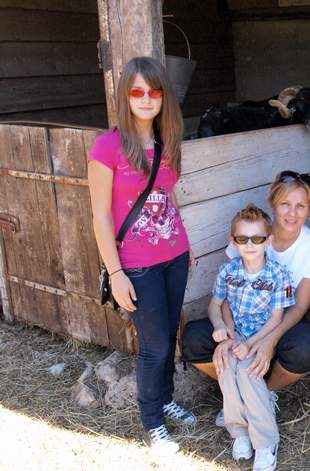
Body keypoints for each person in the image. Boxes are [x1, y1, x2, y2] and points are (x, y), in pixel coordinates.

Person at [87, 56, 195, 452]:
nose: (146, 99)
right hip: (136, 264)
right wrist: (115, 273)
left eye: (154, 91)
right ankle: (152, 422)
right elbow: (100, 215)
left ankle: (166, 399)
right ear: (125, 97)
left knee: (169, 333)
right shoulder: (108, 146)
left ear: (164, 96)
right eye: (137, 91)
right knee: (155, 344)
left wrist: (187, 243)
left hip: (175, 255)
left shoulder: (167, 142)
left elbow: (167, 198)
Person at [181, 171, 310, 425]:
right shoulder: (251, 233)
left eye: (300, 206)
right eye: (285, 204)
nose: (292, 213)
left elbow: (301, 305)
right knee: (193, 338)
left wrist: (270, 340)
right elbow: (227, 290)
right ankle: (236, 392)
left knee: (305, 347)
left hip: (278, 319)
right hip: (239, 317)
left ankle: (263, 395)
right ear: (273, 204)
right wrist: (228, 331)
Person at [209, 204, 295, 471]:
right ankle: (240, 432)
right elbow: (215, 305)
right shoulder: (228, 271)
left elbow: (276, 318)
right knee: (225, 368)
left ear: (268, 240)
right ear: (232, 241)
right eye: (242, 239)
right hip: (235, 335)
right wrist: (220, 328)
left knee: (248, 372)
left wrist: (252, 344)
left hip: (262, 336)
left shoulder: (278, 274)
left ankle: (266, 441)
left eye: (257, 238)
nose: (249, 245)